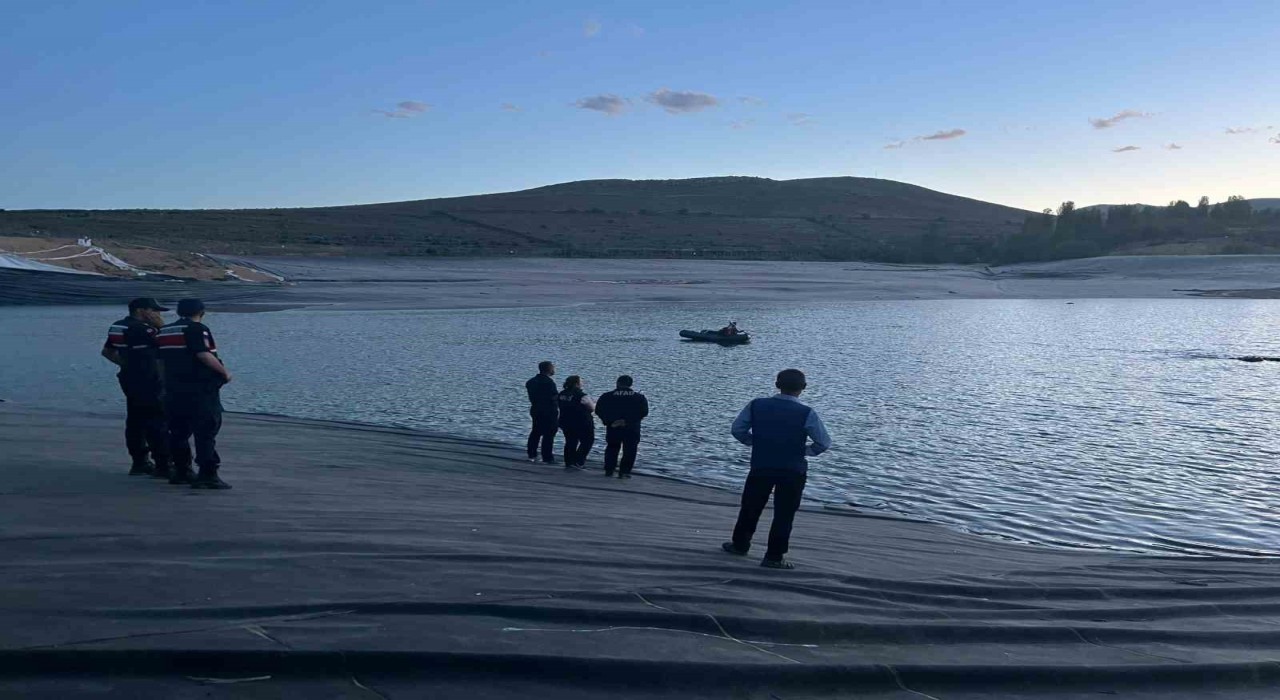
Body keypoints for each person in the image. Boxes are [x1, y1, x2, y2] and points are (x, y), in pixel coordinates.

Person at [722, 369, 831, 569]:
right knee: (784, 514)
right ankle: (774, 556)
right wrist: (804, 451)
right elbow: (823, 443)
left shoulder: (757, 405)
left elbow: (737, 430)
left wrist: (755, 442)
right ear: (803, 388)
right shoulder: (807, 413)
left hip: (762, 465)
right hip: (792, 469)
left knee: (750, 507)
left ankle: (740, 544)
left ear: (777, 384)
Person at [157, 299, 233, 489]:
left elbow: (160, 362)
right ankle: (207, 474)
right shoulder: (197, 329)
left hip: (174, 389)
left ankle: (182, 471)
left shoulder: (164, 331)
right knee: (205, 431)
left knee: (178, 432)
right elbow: (203, 354)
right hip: (200, 388)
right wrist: (225, 373)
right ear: (201, 312)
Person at [101, 297, 171, 476]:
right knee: (157, 420)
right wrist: (161, 325)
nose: (156, 314)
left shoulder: (118, 326)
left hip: (129, 378)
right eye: (154, 310)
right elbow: (169, 344)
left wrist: (125, 364)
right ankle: (163, 464)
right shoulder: (145, 330)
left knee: (135, 419)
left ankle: (139, 461)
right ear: (141, 310)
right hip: (150, 379)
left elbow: (107, 352)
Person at [595, 375, 649, 478]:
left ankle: (609, 470)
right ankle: (624, 472)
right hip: (631, 428)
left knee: (612, 448)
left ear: (618, 383)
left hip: (613, 427)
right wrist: (627, 421)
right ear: (631, 384)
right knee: (630, 449)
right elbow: (644, 412)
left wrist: (610, 421)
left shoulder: (607, 396)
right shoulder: (639, 397)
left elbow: (599, 410)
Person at [557, 375, 596, 470]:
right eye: (580, 381)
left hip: (565, 421)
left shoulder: (562, 394)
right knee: (587, 441)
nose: (582, 383)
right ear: (576, 384)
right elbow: (591, 408)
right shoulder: (582, 395)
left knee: (570, 441)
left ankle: (569, 462)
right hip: (582, 422)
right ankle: (579, 461)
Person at [525, 361, 558, 464]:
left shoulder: (531, 381)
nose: (554, 370)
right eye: (553, 368)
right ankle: (547, 457)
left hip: (535, 409)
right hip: (548, 410)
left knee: (536, 431)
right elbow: (553, 397)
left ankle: (532, 453)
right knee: (549, 434)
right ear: (549, 369)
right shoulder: (549, 382)